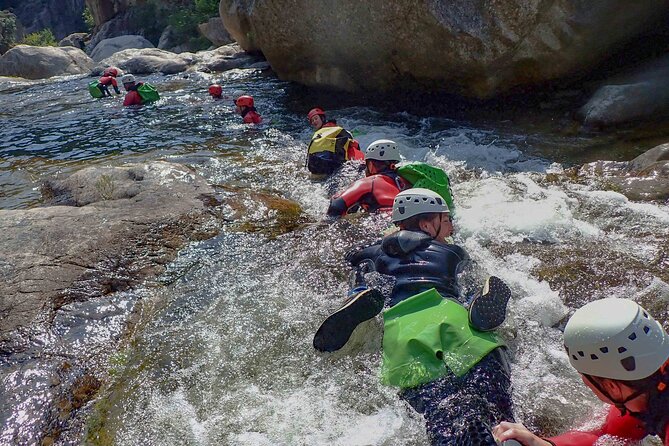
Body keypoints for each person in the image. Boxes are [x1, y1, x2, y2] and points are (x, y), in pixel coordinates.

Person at [314, 188, 515, 445]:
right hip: (462, 329)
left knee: (445, 421)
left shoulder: (371, 252)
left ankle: (359, 294)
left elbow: (350, 256)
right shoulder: (454, 253)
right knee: (500, 423)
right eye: (445, 219)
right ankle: (474, 305)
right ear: (425, 223)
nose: (450, 226)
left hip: (406, 339)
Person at [493, 298, 669, 446]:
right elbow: (604, 436)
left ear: (612, 387)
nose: (583, 380)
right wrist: (542, 443)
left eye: (585, 376)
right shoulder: (646, 392)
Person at [326, 139, 410, 217]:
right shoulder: (405, 181)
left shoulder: (370, 182)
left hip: (383, 223)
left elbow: (336, 206)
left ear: (371, 165)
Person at [306, 107, 364, 175]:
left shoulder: (335, 129)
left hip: (330, 162)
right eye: (312, 121)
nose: (314, 122)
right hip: (317, 164)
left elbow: (351, 143)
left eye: (316, 118)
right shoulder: (317, 136)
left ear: (322, 118)